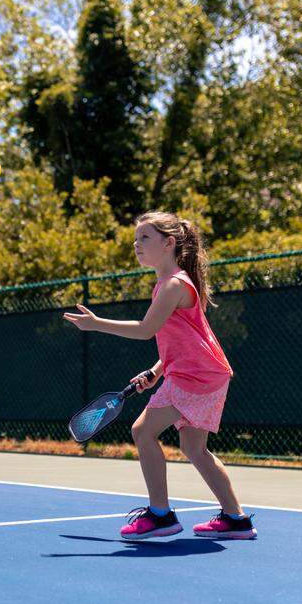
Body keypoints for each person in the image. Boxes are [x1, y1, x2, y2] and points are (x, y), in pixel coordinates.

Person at [63, 211, 255, 540]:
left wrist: (96, 324)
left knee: (142, 431)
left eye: (145, 238)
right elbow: (185, 340)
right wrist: (156, 371)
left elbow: (146, 329)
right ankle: (236, 519)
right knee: (194, 448)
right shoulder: (169, 283)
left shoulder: (174, 284)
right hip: (205, 372)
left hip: (195, 375)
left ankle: (160, 514)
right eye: (136, 239)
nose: (137, 245)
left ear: (168, 243)